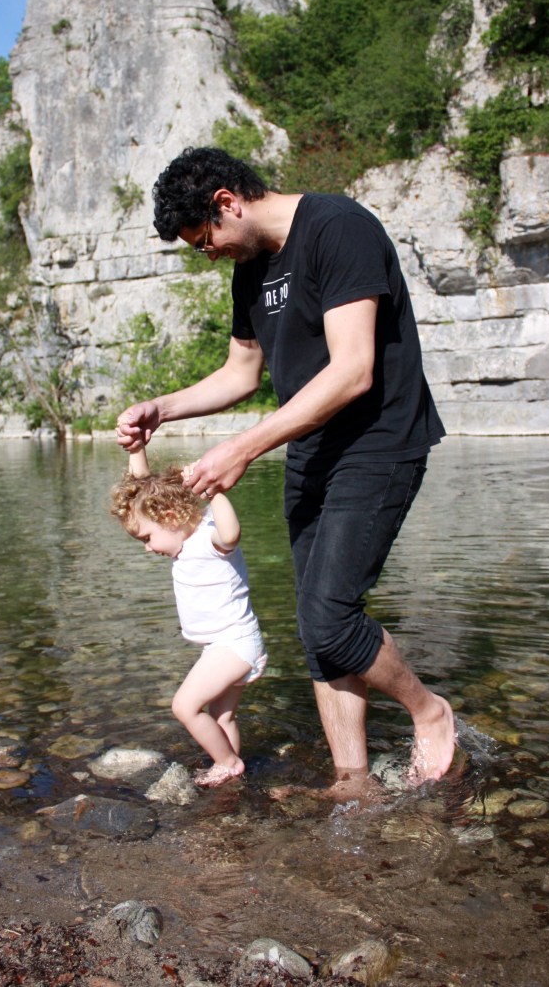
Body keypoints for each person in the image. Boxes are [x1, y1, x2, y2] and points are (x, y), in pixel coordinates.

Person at [116, 146, 456, 796]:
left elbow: (353, 370)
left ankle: (428, 710)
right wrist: (163, 407)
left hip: (379, 441)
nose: (208, 255)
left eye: (204, 240)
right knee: (316, 625)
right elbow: (241, 373)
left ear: (227, 203)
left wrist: (243, 448)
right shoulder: (250, 270)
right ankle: (351, 779)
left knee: (330, 617)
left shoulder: (338, 228)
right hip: (311, 450)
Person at [110, 441, 267, 788]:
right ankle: (231, 777)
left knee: (184, 706)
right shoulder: (180, 538)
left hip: (233, 645)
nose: (148, 548)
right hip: (229, 644)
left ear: (169, 517)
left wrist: (213, 491)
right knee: (221, 716)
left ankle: (228, 764)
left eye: (147, 538)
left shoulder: (208, 538)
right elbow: (141, 490)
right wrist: (137, 448)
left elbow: (231, 534)